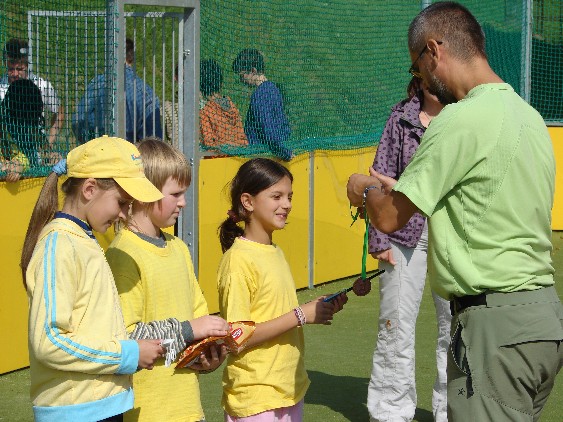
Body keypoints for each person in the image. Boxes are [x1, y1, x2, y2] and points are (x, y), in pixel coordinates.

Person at [347, 2, 562, 421]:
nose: (420, 79)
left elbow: (389, 216)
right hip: (542, 322)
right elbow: (482, 197)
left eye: (417, 67)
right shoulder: (530, 118)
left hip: (494, 328)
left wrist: (364, 186)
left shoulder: (458, 120)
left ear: (434, 50)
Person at [20, 135, 166, 421]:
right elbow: (49, 341)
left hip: (100, 405)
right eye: (123, 203)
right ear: (89, 189)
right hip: (77, 411)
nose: (126, 215)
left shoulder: (83, 239)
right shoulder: (59, 245)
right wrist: (126, 355)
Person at [106, 137, 230, 422]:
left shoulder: (177, 248)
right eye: (176, 194)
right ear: (143, 193)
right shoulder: (123, 255)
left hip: (187, 408)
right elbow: (127, 337)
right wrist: (189, 329)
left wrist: (208, 353)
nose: (183, 203)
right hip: (147, 411)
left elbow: (199, 317)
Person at [217, 158, 346, 421]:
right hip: (256, 397)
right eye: (276, 196)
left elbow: (275, 311)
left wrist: (316, 309)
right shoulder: (238, 260)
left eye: (289, 196)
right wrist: (301, 315)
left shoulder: (275, 251)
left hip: (288, 391)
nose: (286, 204)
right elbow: (236, 337)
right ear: (248, 202)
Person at [353, 77, 450, 422]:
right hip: (403, 234)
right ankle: (391, 412)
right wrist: (379, 239)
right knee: (395, 325)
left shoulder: (464, 117)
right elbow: (378, 179)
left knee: (455, 327)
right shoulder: (401, 117)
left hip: (453, 236)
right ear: (420, 78)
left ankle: (451, 411)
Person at [72, 38, 163, 144]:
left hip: (98, 153)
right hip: (128, 155)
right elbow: (153, 140)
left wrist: (91, 143)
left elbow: (78, 120)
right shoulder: (146, 92)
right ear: (131, 57)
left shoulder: (96, 84)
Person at [0, 38, 64, 149]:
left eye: (19, 69)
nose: (15, 74)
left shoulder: (41, 85)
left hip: (36, 145)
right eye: (10, 69)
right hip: (8, 149)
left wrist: (49, 143)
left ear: (27, 65)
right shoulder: (1, 86)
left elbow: (59, 112)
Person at [232, 49, 292, 161]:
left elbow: (268, 127)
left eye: (242, 75)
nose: (241, 80)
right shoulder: (274, 89)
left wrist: (284, 152)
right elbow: (283, 124)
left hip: (261, 155)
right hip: (275, 151)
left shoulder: (259, 95)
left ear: (252, 71)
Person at [200, 58, 247, 150]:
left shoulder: (206, 111)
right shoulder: (231, 105)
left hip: (217, 160)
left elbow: (208, 142)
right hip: (238, 156)